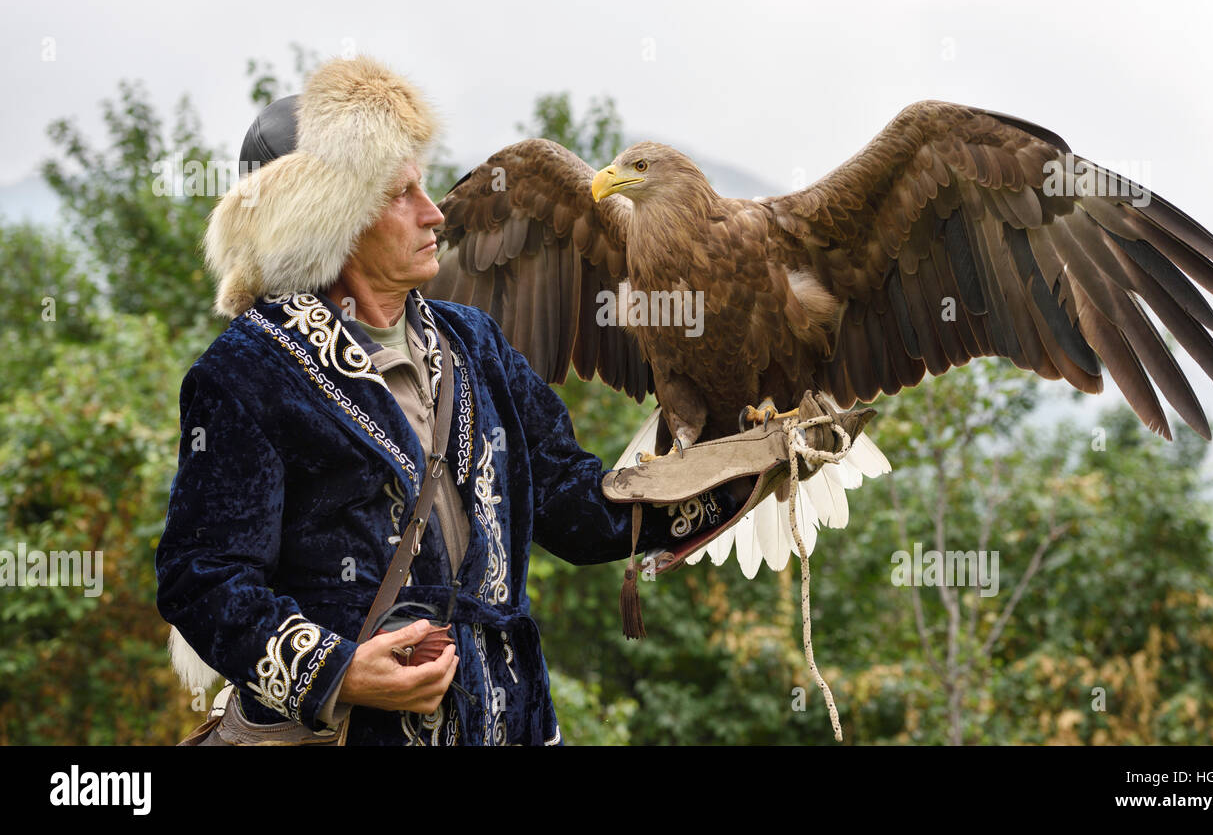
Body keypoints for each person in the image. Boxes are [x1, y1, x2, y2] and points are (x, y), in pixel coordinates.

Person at [155, 55, 782, 745]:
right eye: (402, 195)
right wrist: (339, 672)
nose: (436, 212)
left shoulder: (472, 341)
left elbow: (572, 505)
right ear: (331, 219)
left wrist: (741, 470)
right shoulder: (247, 373)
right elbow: (203, 577)